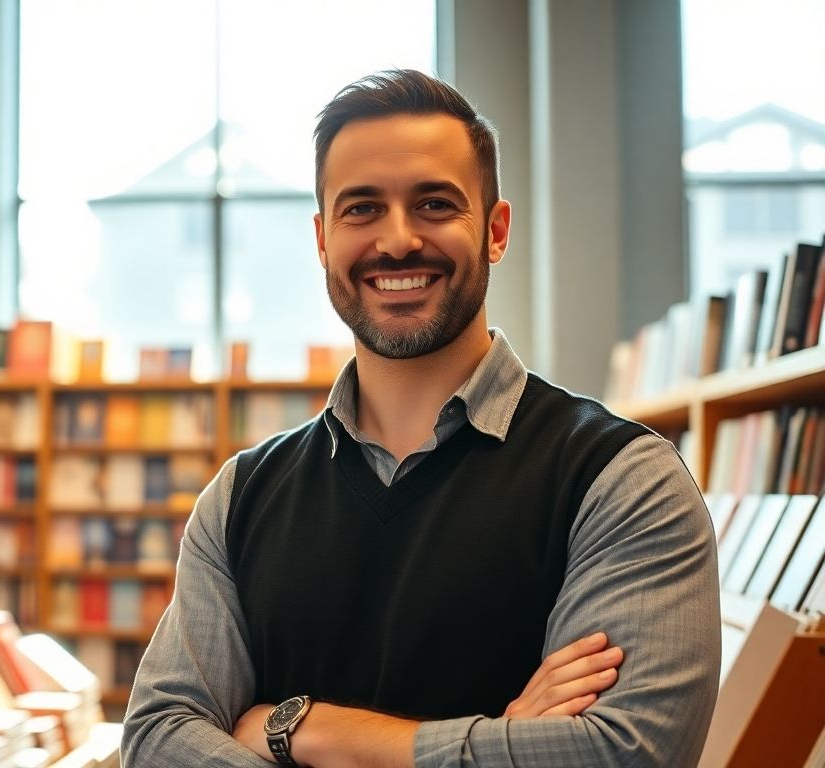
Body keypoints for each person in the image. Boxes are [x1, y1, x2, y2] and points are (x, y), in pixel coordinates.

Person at [121, 69, 720, 767]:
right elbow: (159, 735)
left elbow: (625, 755)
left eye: (434, 204)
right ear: (322, 240)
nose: (398, 240)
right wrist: (500, 739)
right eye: (361, 209)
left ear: (495, 230)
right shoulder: (242, 497)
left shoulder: (621, 481)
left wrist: (306, 730)